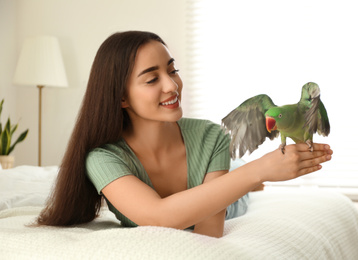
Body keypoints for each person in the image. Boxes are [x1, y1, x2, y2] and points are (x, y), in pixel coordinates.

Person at [37, 31, 333, 238]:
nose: (172, 85)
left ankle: (239, 175)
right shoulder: (103, 159)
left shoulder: (211, 136)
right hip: (232, 179)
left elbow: (209, 231)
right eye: (152, 78)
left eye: (172, 70)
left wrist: (250, 178)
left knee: (238, 193)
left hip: (230, 196)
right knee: (241, 177)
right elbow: (158, 216)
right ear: (121, 98)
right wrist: (260, 171)